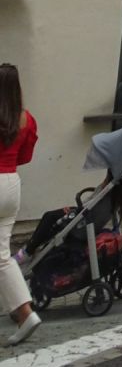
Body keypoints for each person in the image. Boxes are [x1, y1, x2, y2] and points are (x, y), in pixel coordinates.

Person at [0, 63, 40, 346]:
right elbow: (25, 157)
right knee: (2, 254)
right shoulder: (27, 119)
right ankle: (22, 312)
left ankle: (24, 312)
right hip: (11, 184)